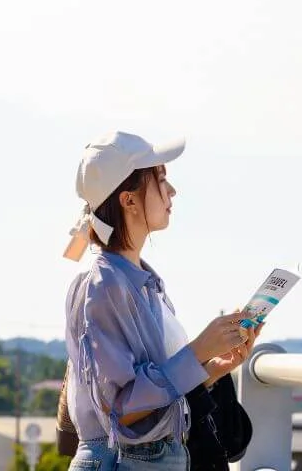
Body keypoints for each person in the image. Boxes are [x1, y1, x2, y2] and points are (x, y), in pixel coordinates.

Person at [60, 131, 260, 470]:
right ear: (129, 200)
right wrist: (197, 351)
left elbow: (156, 391)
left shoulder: (139, 280)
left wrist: (210, 368)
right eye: (161, 179)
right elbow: (122, 408)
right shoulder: (104, 283)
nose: (172, 190)